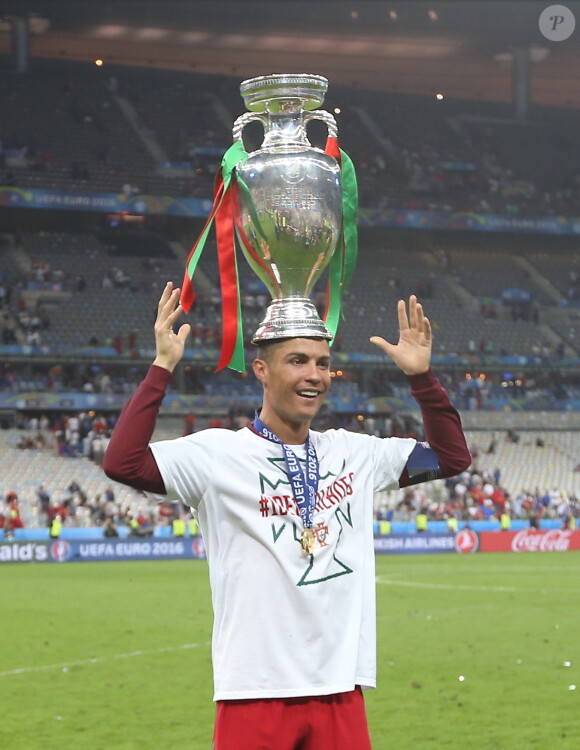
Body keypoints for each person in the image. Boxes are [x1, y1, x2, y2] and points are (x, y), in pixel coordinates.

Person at [103, 282, 470, 750]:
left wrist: (422, 379)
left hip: (339, 687)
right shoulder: (218, 454)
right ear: (261, 369)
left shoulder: (354, 452)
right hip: (254, 690)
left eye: (321, 363)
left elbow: (451, 458)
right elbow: (122, 463)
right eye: (297, 361)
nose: (314, 374)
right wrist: (162, 366)